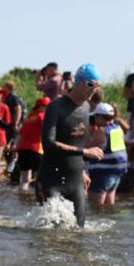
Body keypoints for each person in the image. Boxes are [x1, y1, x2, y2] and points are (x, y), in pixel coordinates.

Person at [36, 63, 105, 227]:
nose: (94, 89)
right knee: (48, 235)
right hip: (51, 179)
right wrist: (85, 152)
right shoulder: (56, 107)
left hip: (75, 181)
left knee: (79, 231)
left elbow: (79, 140)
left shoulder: (87, 107)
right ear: (78, 82)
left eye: (97, 85)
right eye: (90, 84)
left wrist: (82, 170)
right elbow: (48, 143)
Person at [86, 102, 128, 206]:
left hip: (103, 173)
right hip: (116, 172)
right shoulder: (118, 129)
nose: (94, 119)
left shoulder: (101, 131)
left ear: (101, 117)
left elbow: (86, 148)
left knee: (96, 207)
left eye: (95, 116)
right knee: (109, 205)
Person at [15, 96, 48, 193]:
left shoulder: (29, 117)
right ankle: (39, 199)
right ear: (41, 107)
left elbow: (20, 134)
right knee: (41, 177)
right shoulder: (42, 116)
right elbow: (44, 132)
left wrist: (15, 147)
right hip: (35, 149)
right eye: (47, 106)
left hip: (22, 150)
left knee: (25, 179)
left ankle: (22, 198)